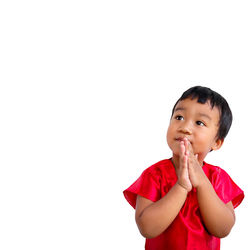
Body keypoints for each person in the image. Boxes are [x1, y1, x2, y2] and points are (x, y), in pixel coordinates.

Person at [123, 86, 244, 250]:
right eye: (179, 117)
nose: (185, 127)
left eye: (199, 122)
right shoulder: (154, 175)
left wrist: (202, 183)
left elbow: (223, 229)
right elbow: (147, 228)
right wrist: (181, 186)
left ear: (217, 142)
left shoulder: (217, 177)